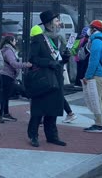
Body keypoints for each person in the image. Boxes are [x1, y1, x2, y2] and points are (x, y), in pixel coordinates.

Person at [27, 11, 70, 147]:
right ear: (49, 23)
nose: (59, 23)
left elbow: (59, 59)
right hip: (43, 78)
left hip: (57, 77)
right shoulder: (39, 39)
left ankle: (52, 136)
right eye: (56, 21)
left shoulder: (57, 38)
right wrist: (49, 62)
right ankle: (33, 135)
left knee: (53, 109)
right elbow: (33, 58)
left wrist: (65, 57)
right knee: (38, 110)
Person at [31, 25, 78, 124]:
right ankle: (69, 113)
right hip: (57, 67)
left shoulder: (46, 41)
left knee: (54, 93)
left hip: (52, 70)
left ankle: (68, 113)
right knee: (57, 92)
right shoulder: (52, 39)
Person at [0, 35, 32, 123]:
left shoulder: (4, 50)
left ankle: (4, 114)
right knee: (5, 95)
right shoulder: (9, 51)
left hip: (5, 75)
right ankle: (0, 115)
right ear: (10, 41)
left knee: (5, 96)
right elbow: (13, 63)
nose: (16, 42)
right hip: (7, 75)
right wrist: (25, 64)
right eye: (14, 40)